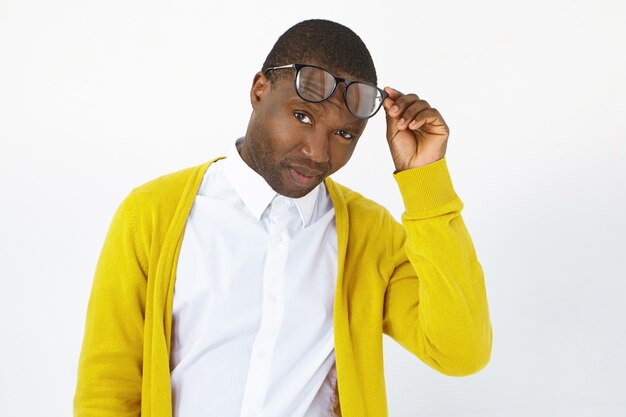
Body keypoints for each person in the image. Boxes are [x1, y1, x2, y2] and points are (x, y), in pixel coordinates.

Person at [74, 19, 492, 417]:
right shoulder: (152, 215)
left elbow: (460, 352)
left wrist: (424, 180)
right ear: (259, 90)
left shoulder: (370, 236)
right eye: (302, 117)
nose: (318, 151)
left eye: (344, 134)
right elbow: (106, 390)